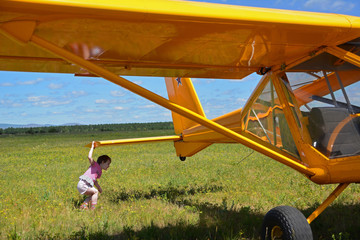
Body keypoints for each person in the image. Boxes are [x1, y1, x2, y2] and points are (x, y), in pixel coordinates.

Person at [77, 141, 111, 210]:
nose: (108, 166)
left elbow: (95, 181)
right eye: (108, 164)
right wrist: (92, 147)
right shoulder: (94, 165)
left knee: (93, 194)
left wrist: (99, 188)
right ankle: (93, 208)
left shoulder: (100, 172)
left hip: (84, 185)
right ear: (102, 162)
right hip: (83, 184)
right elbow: (89, 157)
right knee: (95, 192)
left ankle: (84, 205)